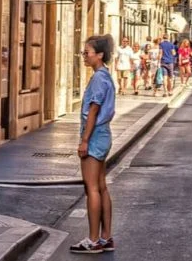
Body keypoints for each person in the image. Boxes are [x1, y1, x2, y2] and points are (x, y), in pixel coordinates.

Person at [70, 35, 117, 254]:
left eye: (87, 52)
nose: (84, 56)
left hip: (95, 135)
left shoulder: (99, 78)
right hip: (104, 134)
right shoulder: (106, 75)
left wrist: (84, 141)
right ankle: (106, 237)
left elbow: (94, 110)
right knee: (101, 186)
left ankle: (93, 239)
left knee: (92, 188)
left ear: (99, 55)